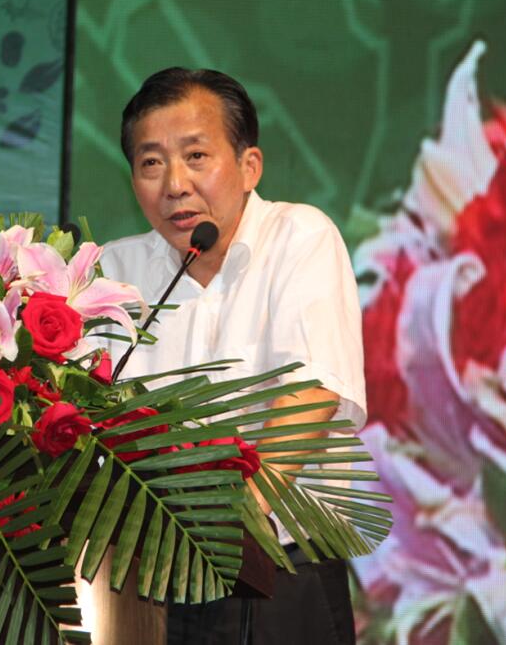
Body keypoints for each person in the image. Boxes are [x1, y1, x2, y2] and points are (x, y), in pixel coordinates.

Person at [98, 68, 367, 645]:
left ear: (249, 167)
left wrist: (227, 525)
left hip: (280, 578)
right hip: (142, 585)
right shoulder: (112, 273)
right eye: (151, 162)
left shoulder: (299, 237)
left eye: (196, 156)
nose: (175, 184)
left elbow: (311, 393)